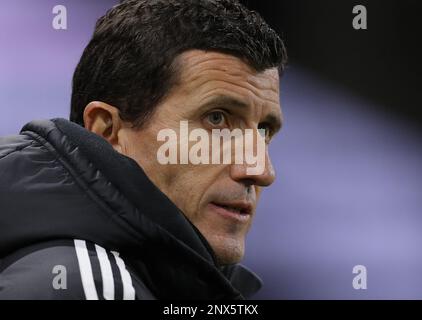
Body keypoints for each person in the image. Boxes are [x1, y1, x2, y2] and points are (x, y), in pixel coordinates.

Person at [0, 0, 286, 299]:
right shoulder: (88, 287)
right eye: (217, 119)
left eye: (265, 131)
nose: (260, 171)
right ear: (107, 132)